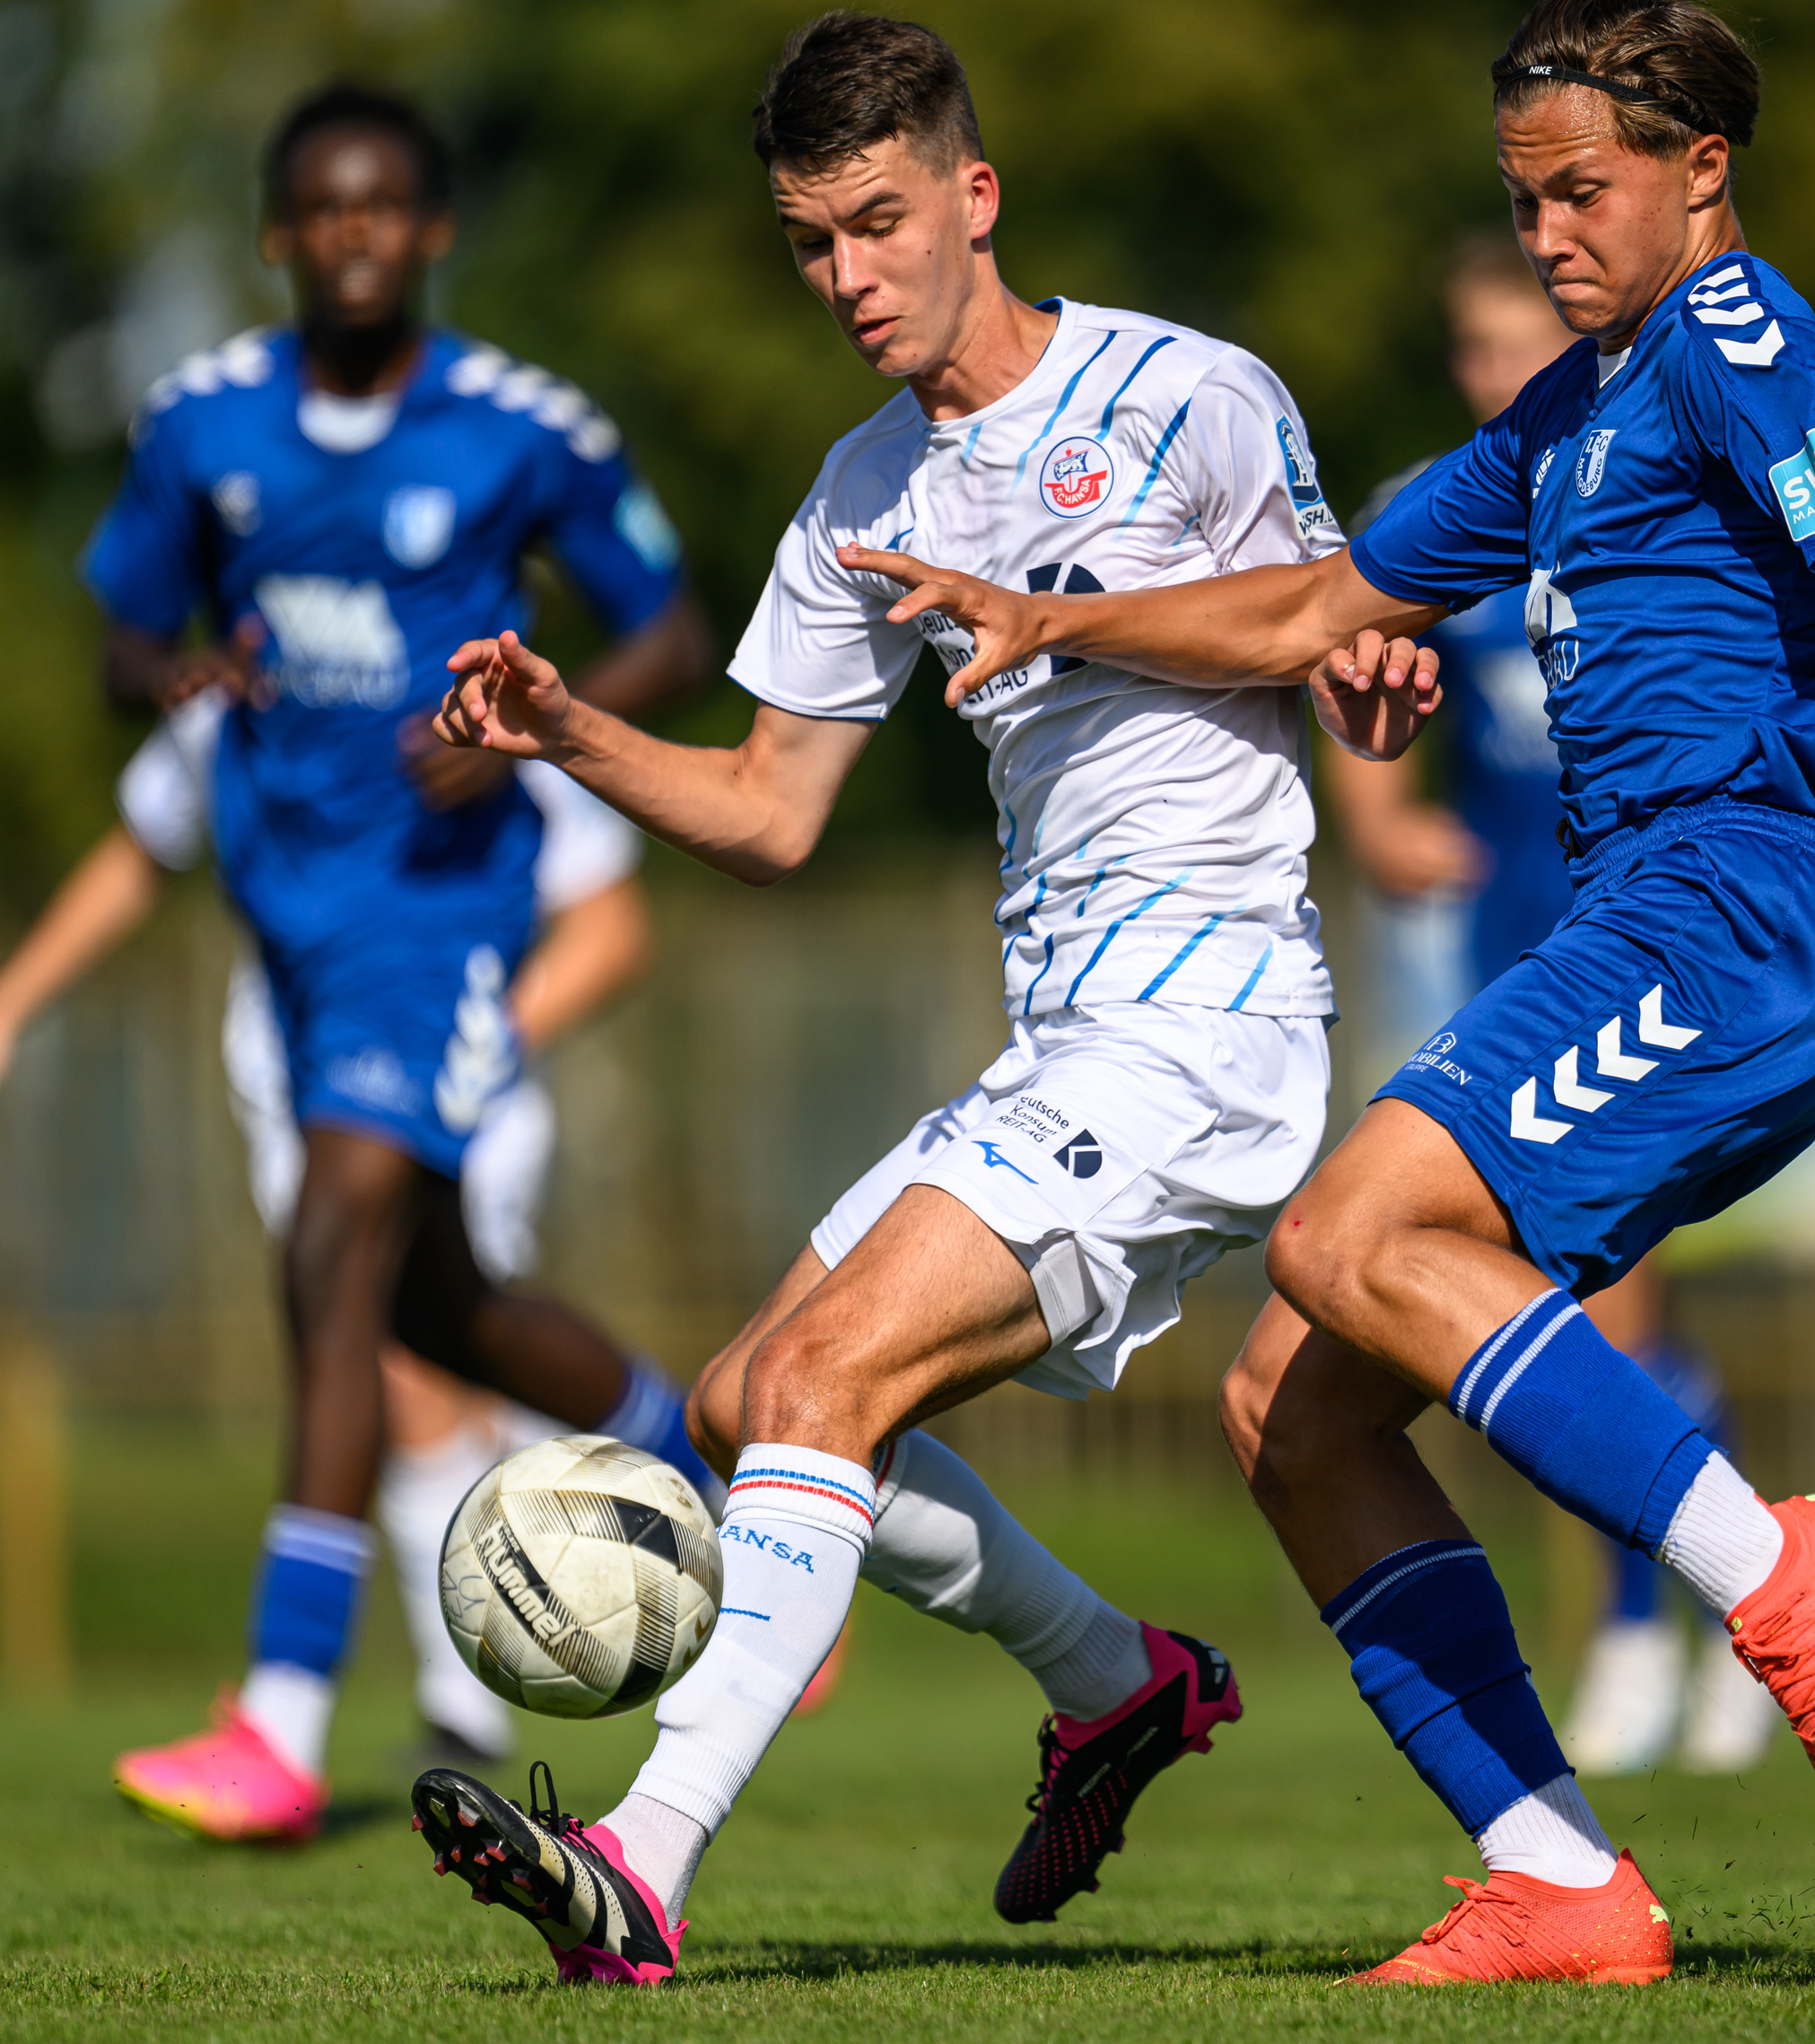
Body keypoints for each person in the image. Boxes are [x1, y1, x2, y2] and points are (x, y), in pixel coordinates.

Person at [853, 0, 1815, 1986]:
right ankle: (1557, 1876)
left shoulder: (1732, 339)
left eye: (1580, 189)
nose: (1546, 235)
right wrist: (1061, 612)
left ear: (1699, 171)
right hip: (1636, 922)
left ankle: (1776, 1569)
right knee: (1288, 1403)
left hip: (1731, 911)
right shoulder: (1562, 420)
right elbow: (1316, 609)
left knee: (1347, 1230)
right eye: (1521, 201)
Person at [403, 13, 1342, 1986]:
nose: (841, 276)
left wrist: (1379, 697)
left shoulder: (1188, 395)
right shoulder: (857, 492)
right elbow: (766, 809)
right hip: (1065, 1035)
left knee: (821, 1389)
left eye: (874, 223)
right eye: (806, 241)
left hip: (1210, 1024)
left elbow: (1335, 624)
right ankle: (1120, 1679)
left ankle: (643, 1863)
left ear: (972, 198)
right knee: (755, 1406)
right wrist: (571, 726)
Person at [83, 81, 719, 1842]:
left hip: (442, 910)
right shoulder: (197, 422)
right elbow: (124, 633)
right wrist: (175, 677)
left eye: (388, 211)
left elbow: (670, 622)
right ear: (282, 234)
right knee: (438, 1302)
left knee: (336, 1222)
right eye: (323, 212)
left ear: (430, 232)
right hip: (285, 913)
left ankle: (282, 1712)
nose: (356, 237)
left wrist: (545, 721)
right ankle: (705, 1466)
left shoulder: (522, 428)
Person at [0, 687, 667, 1764]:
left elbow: (611, 927)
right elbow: (141, 847)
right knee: (448, 1342)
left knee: (394, 1361)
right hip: (293, 1101)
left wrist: (485, 1036)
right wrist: (13, 1001)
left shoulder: (482, 703)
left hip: (445, 1092)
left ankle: (370, 1709)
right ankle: (703, 1503)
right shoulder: (230, 708)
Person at [1325, 233, 1775, 1778]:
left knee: (1589, 1299)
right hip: (1512, 945)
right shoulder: (1462, 496)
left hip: (1641, 942)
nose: (1487, 365)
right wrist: (1376, 808)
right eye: (1466, 342)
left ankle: (1664, 1633)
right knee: (1553, 1304)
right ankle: (1717, 1616)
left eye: (1511, 330)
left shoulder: (1659, 459)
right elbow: (1345, 640)